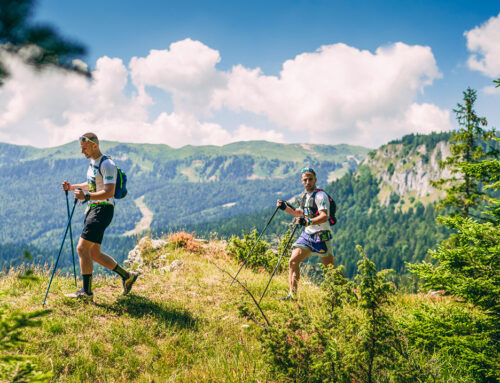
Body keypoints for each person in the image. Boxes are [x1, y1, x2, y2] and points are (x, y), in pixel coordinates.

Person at [61, 133, 138, 301]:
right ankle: (128, 276)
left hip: (102, 210)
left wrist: (86, 197)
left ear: (94, 146)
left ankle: (86, 293)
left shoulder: (107, 164)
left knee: (82, 249)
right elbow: (92, 184)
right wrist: (72, 187)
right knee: (94, 253)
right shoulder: (93, 163)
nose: (82, 152)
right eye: (81, 148)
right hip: (94, 209)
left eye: (85, 148)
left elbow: (109, 191)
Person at [277, 167, 335, 300]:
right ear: (302, 181)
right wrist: (285, 208)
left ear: (315, 180)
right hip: (307, 236)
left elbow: (324, 216)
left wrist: (307, 222)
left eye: (310, 179)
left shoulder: (321, 196)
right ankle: (292, 296)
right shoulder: (305, 196)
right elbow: (299, 213)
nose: (308, 182)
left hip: (322, 236)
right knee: (293, 261)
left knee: (332, 272)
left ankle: (350, 295)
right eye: (305, 180)